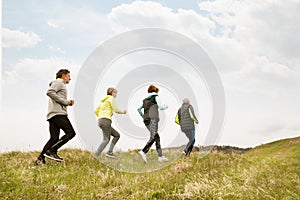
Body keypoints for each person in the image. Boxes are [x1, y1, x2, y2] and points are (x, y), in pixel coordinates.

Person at [35, 69, 76, 165]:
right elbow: (49, 92)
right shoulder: (59, 82)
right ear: (64, 75)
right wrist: (66, 102)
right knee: (70, 133)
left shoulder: (59, 84)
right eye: (69, 76)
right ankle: (52, 151)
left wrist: (67, 102)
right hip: (58, 114)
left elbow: (53, 94)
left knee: (54, 138)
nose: (70, 78)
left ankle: (40, 160)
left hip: (52, 114)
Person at [137, 84, 168, 163]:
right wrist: (165, 106)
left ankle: (160, 157)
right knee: (154, 136)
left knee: (156, 136)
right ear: (156, 91)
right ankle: (143, 151)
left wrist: (143, 116)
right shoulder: (156, 97)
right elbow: (161, 107)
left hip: (146, 120)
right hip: (153, 119)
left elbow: (139, 109)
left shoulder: (145, 100)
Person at [94, 87, 126, 158]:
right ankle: (96, 156)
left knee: (117, 135)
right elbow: (116, 109)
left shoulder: (103, 101)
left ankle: (110, 151)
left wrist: (101, 116)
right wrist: (123, 112)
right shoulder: (111, 99)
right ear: (112, 93)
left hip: (100, 120)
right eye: (115, 93)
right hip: (106, 121)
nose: (116, 95)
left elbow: (96, 111)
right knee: (106, 140)